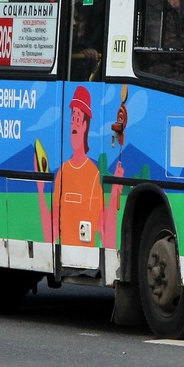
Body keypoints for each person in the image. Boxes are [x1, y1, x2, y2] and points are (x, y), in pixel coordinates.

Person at [37, 85, 124, 255]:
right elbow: (51, 234)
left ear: (85, 125)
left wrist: (114, 197)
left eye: (78, 118)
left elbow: (107, 239)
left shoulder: (94, 176)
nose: (73, 124)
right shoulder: (62, 172)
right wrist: (41, 191)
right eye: (72, 118)